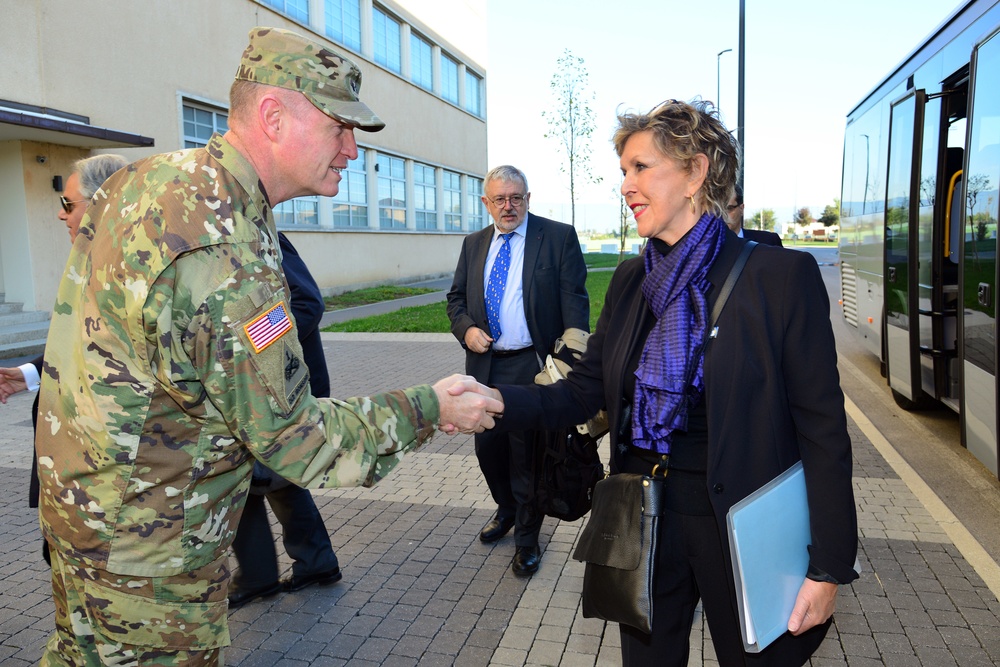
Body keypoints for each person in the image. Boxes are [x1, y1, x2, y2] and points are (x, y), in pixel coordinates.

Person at [35, 26, 501, 665]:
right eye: (339, 127)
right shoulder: (227, 253)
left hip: (83, 518)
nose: (352, 150)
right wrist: (431, 405)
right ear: (273, 116)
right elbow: (296, 440)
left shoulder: (144, 182)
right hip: (149, 559)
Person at [478, 99, 858, 665]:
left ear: (695, 173)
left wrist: (827, 567)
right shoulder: (634, 279)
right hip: (645, 519)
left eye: (640, 168)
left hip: (742, 530)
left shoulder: (779, 278)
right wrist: (493, 400)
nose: (626, 185)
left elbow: (823, 432)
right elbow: (584, 391)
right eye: (624, 171)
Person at [446, 165, 589, 577]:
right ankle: (507, 510)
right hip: (485, 367)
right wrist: (467, 329)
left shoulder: (557, 237)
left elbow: (576, 305)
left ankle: (528, 539)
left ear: (528, 198)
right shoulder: (474, 244)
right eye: (500, 199)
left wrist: (570, 365)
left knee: (527, 458)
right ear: (485, 203)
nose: (509, 207)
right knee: (488, 452)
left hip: (533, 366)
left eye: (516, 198)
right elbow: (456, 299)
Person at [0, 153, 128, 534]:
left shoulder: (129, 266)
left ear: (101, 202)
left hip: (101, 478)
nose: (61, 214)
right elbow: (86, 340)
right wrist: (30, 374)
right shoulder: (92, 260)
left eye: (67, 204)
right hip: (75, 475)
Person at [227, 232, 342, 609]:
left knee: (250, 477)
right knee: (274, 477)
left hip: (285, 387)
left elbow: (308, 302)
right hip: (256, 393)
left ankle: (265, 574)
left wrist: (249, 344)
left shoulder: (259, 234)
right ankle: (313, 562)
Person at [725, 182, 783, 246]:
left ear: (741, 209)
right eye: (717, 210)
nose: (722, 215)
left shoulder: (769, 241)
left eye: (728, 208)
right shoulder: (712, 247)